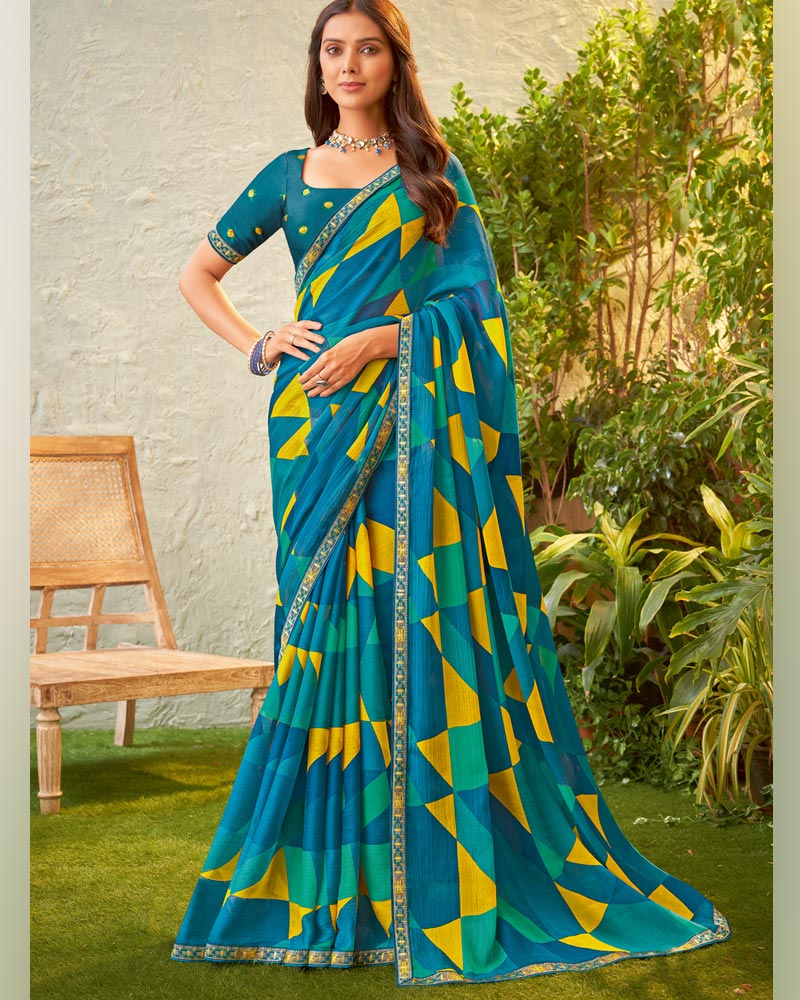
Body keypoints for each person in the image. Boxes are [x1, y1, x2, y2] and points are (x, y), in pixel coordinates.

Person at [170, 0, 730, 987]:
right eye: (333, 49)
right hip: (312, 429)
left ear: (394, 61)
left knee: (411, 622)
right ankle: (332, 878)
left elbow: (476, 310)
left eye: (366, 49)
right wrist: (261, 343)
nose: (348, 64)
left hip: (406, 425)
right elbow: (198, 274)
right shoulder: (288, 177)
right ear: (318, 64)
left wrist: (386, 338)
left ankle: (421, 875)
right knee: (323, 633)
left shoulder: (431, 172)